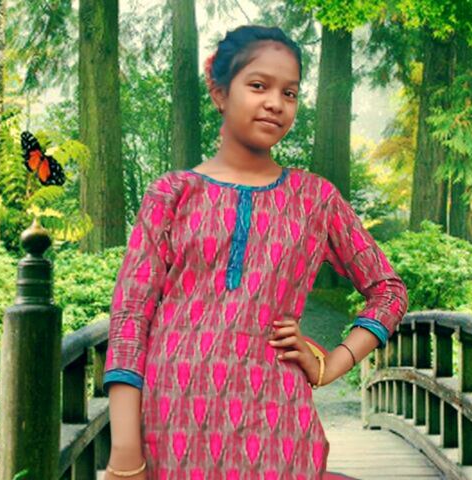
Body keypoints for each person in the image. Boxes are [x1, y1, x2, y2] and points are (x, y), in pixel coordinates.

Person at [103, 24, 408, 480]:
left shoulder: (315, 199)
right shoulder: (172, 194)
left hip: (276, 425)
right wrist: (125, 450)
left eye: (290, 93)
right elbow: (131, 316)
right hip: (170, 426)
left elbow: (388, 291)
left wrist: (330, 363)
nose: (276, 103)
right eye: (259, 86)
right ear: (220, 92)